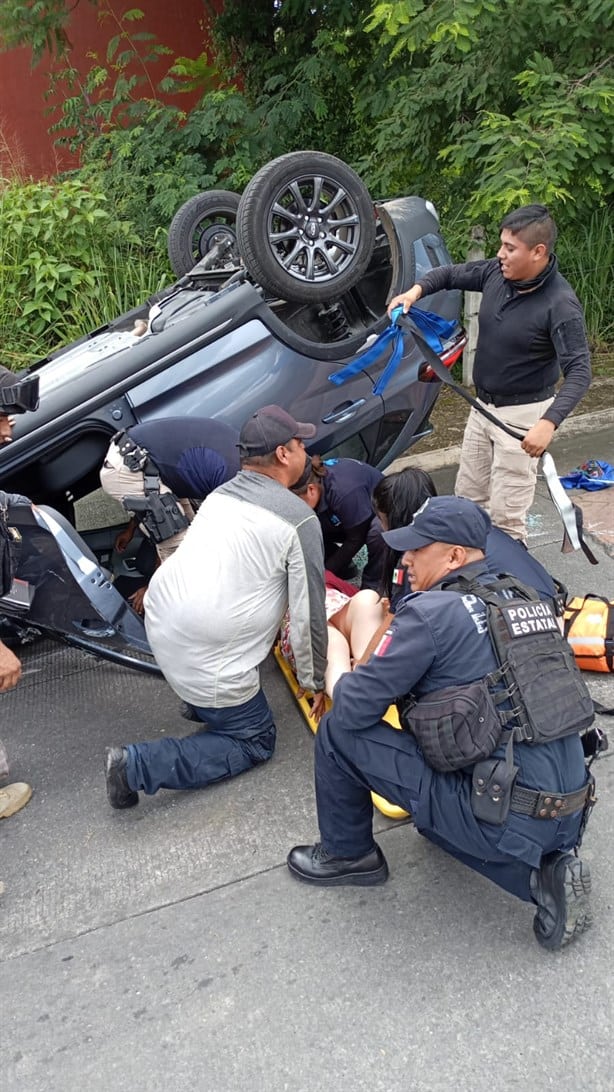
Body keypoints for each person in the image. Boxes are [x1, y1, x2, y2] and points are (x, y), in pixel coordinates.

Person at [287, 496, 595, 951]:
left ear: (454, 556)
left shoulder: (430, 613)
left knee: (337, 732)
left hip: (507, 813)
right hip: (569, 807)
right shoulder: (526, 595)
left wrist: (336, 663)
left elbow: (354, 709)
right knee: (437, 815)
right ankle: (545, 857)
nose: (405, 559)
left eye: (418, 549)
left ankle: (350, 854)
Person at [104, 404, 328, 809]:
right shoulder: (298, 520)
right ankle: (137, 767)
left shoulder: (221, 493)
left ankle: (202, 705)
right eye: (300, 444)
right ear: (283, 454)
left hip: (163, 624)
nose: (304, 452)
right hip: (201, 653)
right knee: (256, 740)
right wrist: (315, 683)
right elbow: (308, 612)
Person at [388, 205, 591, 542]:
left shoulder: (560, 305)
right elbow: (448, 275)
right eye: (501, 245)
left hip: (523, 418)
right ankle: (471, 583)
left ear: (538, 252)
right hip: (482, 410)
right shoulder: (497, 273)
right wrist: (412, 293)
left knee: (507, 520)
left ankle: (511, 589)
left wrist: (548, 422)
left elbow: (581, 371)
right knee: (467, 502)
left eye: (510, 248)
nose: (501, 255)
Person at [324, 467, 564, 695]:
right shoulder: (462, 523)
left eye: (381, 519)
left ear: (393, 518)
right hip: (547, 618)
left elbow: (395, 625)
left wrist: (362, 673)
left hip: (523, 635)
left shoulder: (423, 554)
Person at [99, 416, 241, 611]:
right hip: (130, 467)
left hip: (143, 461)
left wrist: (133, 528)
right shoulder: (233, 480)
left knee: (189, 536)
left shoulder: (240, 457)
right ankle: (160, 605)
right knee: (178, 552)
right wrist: (152, 588)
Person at [290, 454, 386, 590]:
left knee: (378, 533)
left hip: (376, 513)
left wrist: (325, 575)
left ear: (311, 490)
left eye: (298, 503)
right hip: (346, 515)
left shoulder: (344, 493)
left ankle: (373, 586)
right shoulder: (315, 484)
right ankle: (343, 569)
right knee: (307, 528)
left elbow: (356, 538)